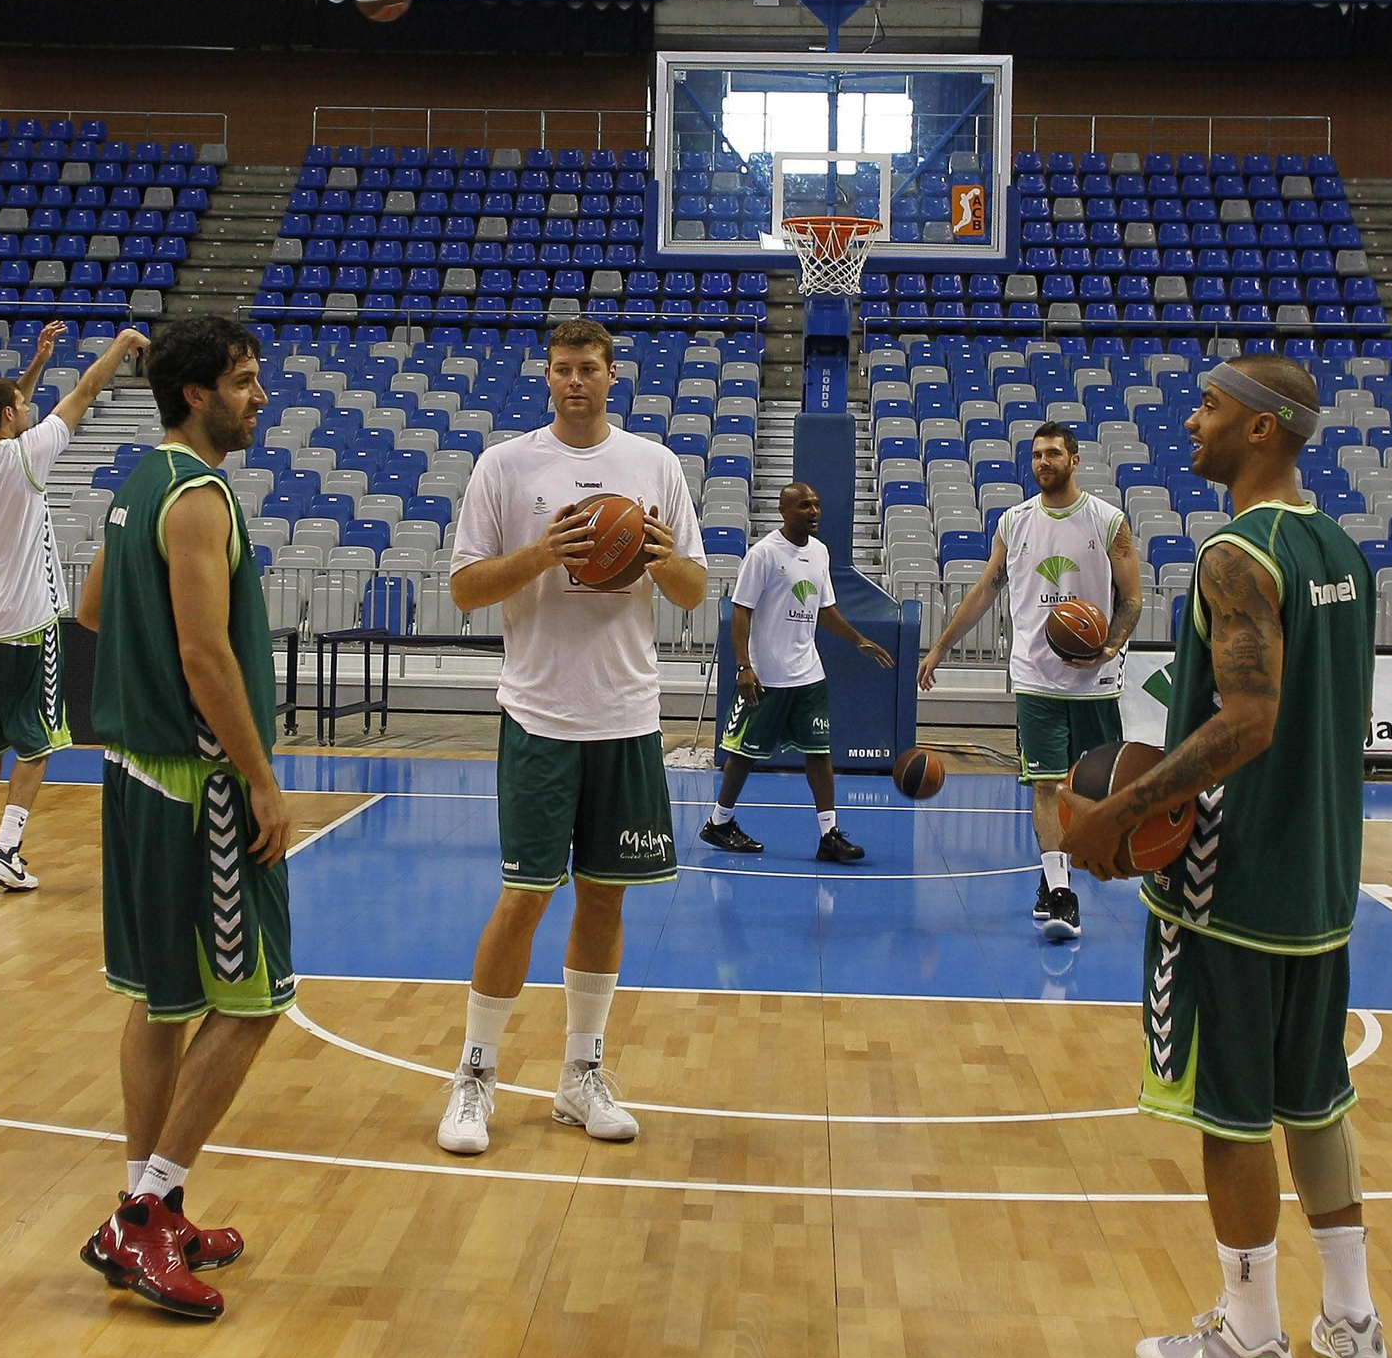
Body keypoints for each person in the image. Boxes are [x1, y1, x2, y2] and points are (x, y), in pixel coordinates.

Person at [1063, 354, 1384, 1358]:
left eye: (1209, 406)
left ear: (1260, 428)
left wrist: (1121, 810)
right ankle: (1353, 1321)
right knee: (1315, 1099)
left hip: (1230, 885)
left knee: (1233, 1112)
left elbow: (1248, 722)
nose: (1190, 420)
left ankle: (1251, 1337)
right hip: (1321, 877)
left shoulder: (1235, 555)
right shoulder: (1344, 551)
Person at [437, 318, 707, 1156]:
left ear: (613, 374)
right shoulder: (506, 466)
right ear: (547, 377)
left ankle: (579, 1075)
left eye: (589, 367)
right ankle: (475, 1075)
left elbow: (694, 591)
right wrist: (546, 552)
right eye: (562, 368)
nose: (575, 380)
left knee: (604, 896)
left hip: (627, 714)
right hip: (540, 714)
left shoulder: (655, 464)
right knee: (524, 896)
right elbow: (465, 590)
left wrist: (658, 558)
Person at [75, 315, 293, 1321]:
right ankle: (148, 1208)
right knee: (253, 1003)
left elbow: (91, 609)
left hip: (131, 773)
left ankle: (143, 1210)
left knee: (164, 1001)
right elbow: (206, 655)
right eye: (244, 381)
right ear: (197, 393)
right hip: (199, 786)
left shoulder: (137, 483)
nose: (260, 397)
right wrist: (260, 778)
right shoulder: (200, 497)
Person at [917, 421, 1142, 939]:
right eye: (1038, 454)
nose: (1044, 462)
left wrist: (1109, 646)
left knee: (1089, 792)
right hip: (1036, 677)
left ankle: (1054, 875)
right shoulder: (1014, 522)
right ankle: (1061, 892)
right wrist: (942, 645)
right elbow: (985, 589)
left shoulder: (1108, 521)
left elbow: (1131, 600)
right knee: (1045, 784)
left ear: (1075, 459)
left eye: (1054, 454)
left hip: (1094, 681)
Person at [0, 321, 146, 891]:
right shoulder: (25, 458)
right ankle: (7, 849)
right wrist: (121, 344)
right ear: (10, 416)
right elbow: (83, 393)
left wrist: (36, 363)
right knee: (39, 742)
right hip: (29, 624)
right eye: (21, 405)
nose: (29, 408)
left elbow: (7, 406)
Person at [699, 480, 893, 861]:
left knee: (819, 752)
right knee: (744, 754)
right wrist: (744, 666)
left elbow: (824, 610)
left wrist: (858, 640)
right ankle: (719, 822)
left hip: (809, 674)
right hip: (767, 676)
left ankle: (829, 835)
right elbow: (741, 611)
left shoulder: (820, 553)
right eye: (805, 505)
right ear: (784, 511)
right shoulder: (763, 554)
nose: (814, 511)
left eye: (816, 504)